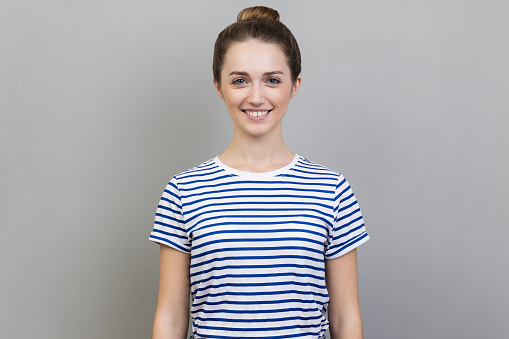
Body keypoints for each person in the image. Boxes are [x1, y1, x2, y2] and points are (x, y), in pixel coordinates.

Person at [149, 6, 369, 339]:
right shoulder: (183, 191)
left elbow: (346, 318)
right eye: (240, 80)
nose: (256, 97)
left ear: (294, 86)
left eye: (272, 80)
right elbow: (170, 318)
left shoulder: (332, 190)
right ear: (219, 86)